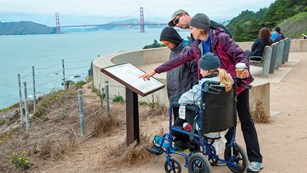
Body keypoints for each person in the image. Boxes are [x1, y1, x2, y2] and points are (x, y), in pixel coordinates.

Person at [140, 13, 263, 173]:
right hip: (214, 89)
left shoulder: (222, 38)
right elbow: (180, 59)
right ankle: (228, 156)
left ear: (201, 29)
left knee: (245, 120)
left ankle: (255, 159)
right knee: (225, 122)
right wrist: (156, 70)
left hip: (233, 85)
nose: (190, 32)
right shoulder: (196, 45)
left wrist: (244, 69)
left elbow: (240, 55)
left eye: (192, 28)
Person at [172, 52, 233, 156]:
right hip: (225, 125)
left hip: (207, 128)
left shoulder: (202, 87)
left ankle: (174, 134)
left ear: (207, 70)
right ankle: (182, 128)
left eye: (201, 68)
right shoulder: (228, 81)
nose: (199, 71)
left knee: (184, 108)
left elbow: (182, 100)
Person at [159, 26, 198, 120]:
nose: (166, 46)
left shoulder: (187, 50)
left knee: (186, 127)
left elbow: (195, 75)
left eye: (167, 43)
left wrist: (192, 96)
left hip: (185, 99)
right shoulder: (173, 51)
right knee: (178, 127)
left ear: (173, 40)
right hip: (174, 96)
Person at [168, 9, 232, 38]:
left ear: (184, 15)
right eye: (174, 25)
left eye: (176, 21)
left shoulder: (207, 24)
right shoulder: (193, 33)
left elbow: (227, 40)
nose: (177, 25)